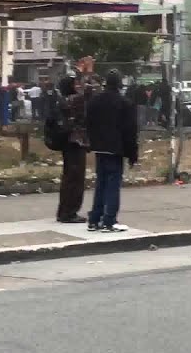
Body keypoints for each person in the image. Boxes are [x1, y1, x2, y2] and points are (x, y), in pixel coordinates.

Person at [85, 69, 139, 233]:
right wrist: (132, 153)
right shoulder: (125, 103)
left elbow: (88, 123)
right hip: (116, 148)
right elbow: (130, 131)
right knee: (113, 184)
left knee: (101, 182)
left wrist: (92, 142)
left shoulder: (95, 101)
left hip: (99, 147)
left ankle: (95, 219)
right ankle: (109, 220)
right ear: (119, 84)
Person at [51, 74, 88, 224]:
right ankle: (70, 211)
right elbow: (89, 95)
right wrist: (88, 73)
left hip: (67, 142)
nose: (78, 86)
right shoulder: (74, 100)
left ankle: (63, 210)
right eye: (75, 84)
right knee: (76, 178)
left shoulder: (62, 101)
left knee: (68, 178)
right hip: (75, 142)